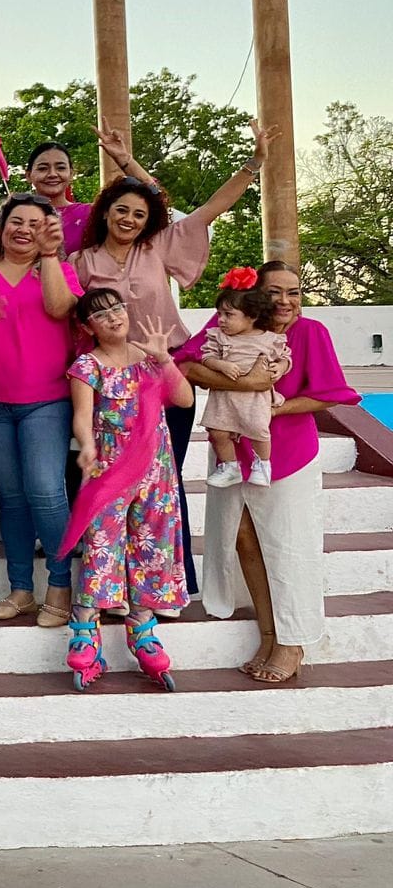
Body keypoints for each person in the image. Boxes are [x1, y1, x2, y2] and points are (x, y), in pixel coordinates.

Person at [71, 119, 276, 599]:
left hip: (165, 375)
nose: (129, 219)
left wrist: (254, 163)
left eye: (138, 214)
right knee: (113, 482)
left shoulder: (156, 247)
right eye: (121, 210)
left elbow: (209, 209)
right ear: (105, 213)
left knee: (164, 480)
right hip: (111, 384)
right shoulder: (82, 262)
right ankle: (112, 583)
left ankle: (171, 581)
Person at [178, 260, 360, 685]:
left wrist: (272, 407)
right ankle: (268, 634)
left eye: (293, 292)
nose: (285, 301)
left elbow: (329, 394)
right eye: (274, 291)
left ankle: (292, 642)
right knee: (241, 537)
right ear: (256, 295)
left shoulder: (311, 332)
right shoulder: (231, 321)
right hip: (232, 448)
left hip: (288, 451)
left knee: (288, 546)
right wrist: (246, 386)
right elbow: (185, 364)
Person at [0, 195, 80, 626]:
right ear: (0, 226)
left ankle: (61, 585)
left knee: (46, 491)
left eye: (36, 223)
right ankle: (21, 589)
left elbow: (60, 309)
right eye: (17, 221)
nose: (24, 229)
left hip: (48, 400)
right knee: (11, 499)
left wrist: (49, 256)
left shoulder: (60, 271)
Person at [64, 290, 192, 692]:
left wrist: (165, 358)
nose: (113, 317)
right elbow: (82, 417)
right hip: (110, 469)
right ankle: (86, 629)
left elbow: (184, 399)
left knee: (153, 545)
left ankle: (143, 629)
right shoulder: (87, 366)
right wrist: (87, 447)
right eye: (100, 314)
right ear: (88, 327)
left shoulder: (149, 357)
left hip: (156, 470)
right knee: (102, 544)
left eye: (117, 308)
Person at [200, 278, 291, 488]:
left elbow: (286, 357)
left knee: (259, 430)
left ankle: (263, 465)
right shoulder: (218, 337)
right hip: (224, 397)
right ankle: (230, 467)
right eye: (219, 314)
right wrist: (220, 365)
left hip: (254, 398)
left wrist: (281, 367)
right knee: (217, 432)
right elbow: (206, 357)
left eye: (228, 315)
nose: (221, 320)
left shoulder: (270, 339)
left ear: (252, 316)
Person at [24, 129, 156, 255]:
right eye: (43, 168)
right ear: (28, 175)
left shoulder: (91, 214)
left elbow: (154, 198)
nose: (52, 174)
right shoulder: (17, 216)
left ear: (71, 174)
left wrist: (124, 159)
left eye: (61, 168)